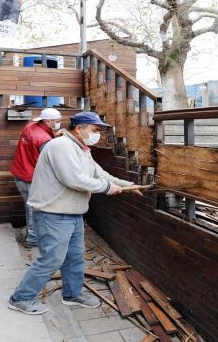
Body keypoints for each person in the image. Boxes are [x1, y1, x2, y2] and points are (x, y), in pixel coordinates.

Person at [8, 111, 141, 315]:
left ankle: (72, 294)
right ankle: (21, 298)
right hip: (53, 213)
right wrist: (106, 188)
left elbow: (99, 174)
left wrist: (127, 185)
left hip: (72, 212)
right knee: (52, 258)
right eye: (95, 130)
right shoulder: (61, 146)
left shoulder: (82, 149)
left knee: (74, 257)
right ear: (79, 128)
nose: (97, 134)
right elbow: (74, 179)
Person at [10, 108, 63, 248]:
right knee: (34, 209)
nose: (59, 123)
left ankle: (33, 236)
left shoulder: (30, 127)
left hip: (20, 173)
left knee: (31, 207)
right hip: (30, 178)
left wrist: (54, 137)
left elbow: (36, 144)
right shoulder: (44, 140)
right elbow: (51, 160)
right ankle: (32, 240)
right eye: (57, 121)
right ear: (48, 121)